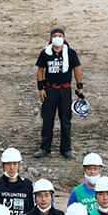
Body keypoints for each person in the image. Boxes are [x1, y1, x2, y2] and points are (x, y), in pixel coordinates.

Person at [35, 27, 83, 158]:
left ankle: (66, 148)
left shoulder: (71, 53)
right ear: (50, 38)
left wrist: (80, 87)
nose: (57, 38)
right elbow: (40, 70)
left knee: (66, 120)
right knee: (47, 119)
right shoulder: (45, 53)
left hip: (65, 90)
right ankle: (44, 148)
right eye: (55, 35)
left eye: (60, 35)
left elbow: (77, 70)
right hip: (50, 90)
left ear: (64, 38)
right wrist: (41, 88)